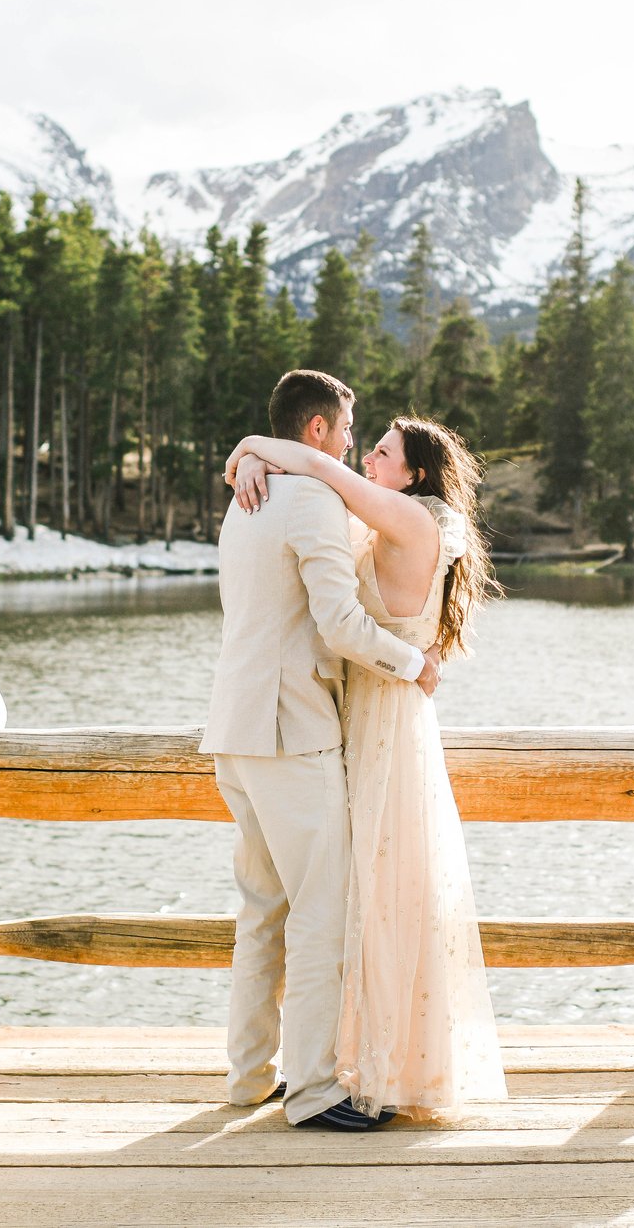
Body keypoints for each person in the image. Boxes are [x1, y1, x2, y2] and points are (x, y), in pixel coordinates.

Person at [225, 408, 507, 1119]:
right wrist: (251, 458)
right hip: (330, 722)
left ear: (413, 473)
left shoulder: (415, 523)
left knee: (367, 896)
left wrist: (251, 449)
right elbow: (318, 485)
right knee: (326, 906)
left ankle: (353, 1067)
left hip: (378, 724)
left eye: (382, 450)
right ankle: (312, 1074)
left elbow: (321, 470)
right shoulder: (368, 518)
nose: (365, 455)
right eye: (362, 441)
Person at [199, 369, 437, 1131]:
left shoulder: (247, 500)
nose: (347, 448)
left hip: (234, 731)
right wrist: (411, 663)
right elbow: (337, 622)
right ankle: (312, 1090)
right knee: (321, 914)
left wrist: (247, 454)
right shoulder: (309, 499)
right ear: (316, 432)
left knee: (262, 908)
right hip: (289, 729)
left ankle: (247, 1078)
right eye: (345, 431)